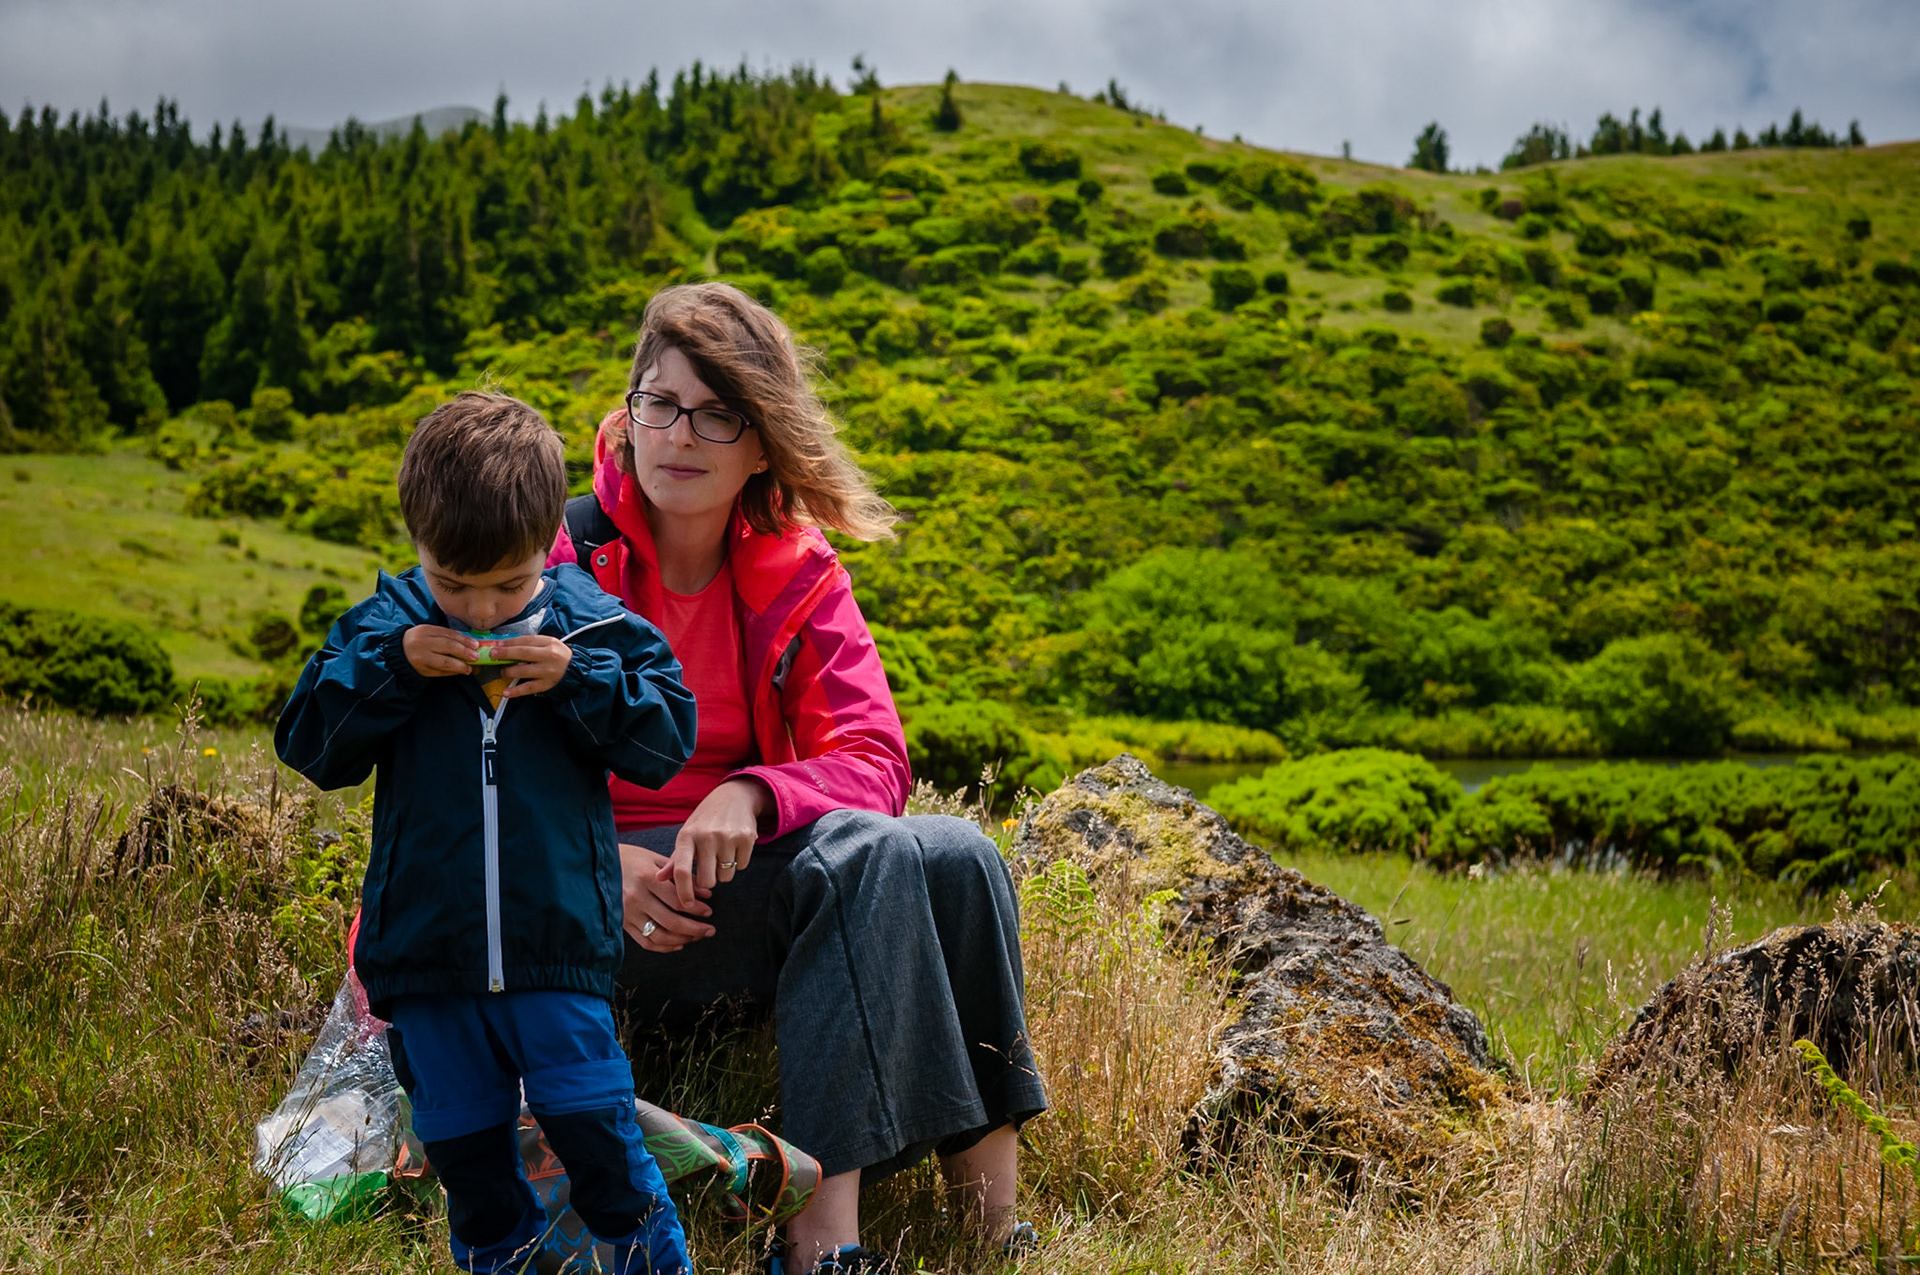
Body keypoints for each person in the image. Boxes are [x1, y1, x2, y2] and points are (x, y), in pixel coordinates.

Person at [548, 283, 1047, 1274]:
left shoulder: (794, 568)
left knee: (959, 854)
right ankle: (822, 1247)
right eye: (660, 403)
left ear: (762, 442)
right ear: (628, 414)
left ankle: (991, 1223)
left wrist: (754, 794)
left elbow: (877, 757)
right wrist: (602, 864)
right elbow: (482, 778)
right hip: (594, 915)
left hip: (742, 901)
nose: (680, 435)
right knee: (867, 854)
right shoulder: (565, 557)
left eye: (718, 412)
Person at [275, 392, 701, 1275]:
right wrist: (391, 664)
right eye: (452, 583)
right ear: (416, 545)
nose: (477, 609)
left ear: (547, 542)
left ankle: (652, 1262)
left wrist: (579, 677)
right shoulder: (383, 628)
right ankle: (500, 1261)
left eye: (507, 585)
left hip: (557, 959)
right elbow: (309, 743)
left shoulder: (596, 628)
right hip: (428, 966)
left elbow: (668, 739)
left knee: (600, 1141)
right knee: (468, 1163)